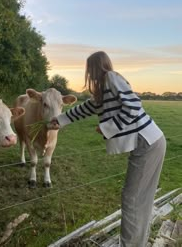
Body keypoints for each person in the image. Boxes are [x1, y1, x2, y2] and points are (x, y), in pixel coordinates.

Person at [47, 51, 166, 247]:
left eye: (89, 68)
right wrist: (59, 121)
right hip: (149, 141)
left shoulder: (111, 77)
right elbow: (86, 108)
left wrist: (107, 128)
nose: (88, 73)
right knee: (139, 199)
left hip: (147, 142)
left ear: (96, 67)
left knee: (132, 199)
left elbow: (134, 105)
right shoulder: (104, 88)